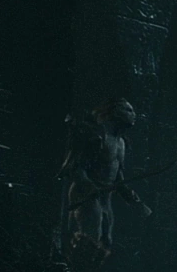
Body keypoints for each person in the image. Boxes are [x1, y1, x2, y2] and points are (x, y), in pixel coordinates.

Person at [56, 98, 149, 263]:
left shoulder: (121, 143)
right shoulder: (97, 136)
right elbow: (77, 168)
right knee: (88, 241)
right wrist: (89, 187)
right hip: (86, 196)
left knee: (105, 243)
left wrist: (133, 199)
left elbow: (117, 176)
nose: (133, 114)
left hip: (105, 199)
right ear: (115, 112)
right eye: (128, 110)